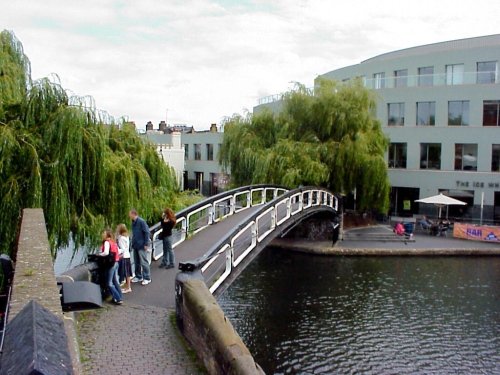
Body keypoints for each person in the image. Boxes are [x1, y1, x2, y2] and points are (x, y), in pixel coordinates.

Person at [98, 229, 123, 305]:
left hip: (111, 264)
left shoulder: (106, 242)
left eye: (103, 234)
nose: (102, 235)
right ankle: (120, 296)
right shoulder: (113, 242)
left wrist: (99, 255)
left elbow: (105, 252)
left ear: (107, 235)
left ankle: (118, 298)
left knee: (109, 283)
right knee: (115, 281)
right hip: (116, 262)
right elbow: (119, 251)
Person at [129, 209, 152, 286]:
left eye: (130, 214)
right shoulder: (133, 223)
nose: (129, 216)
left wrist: (146, 244)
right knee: (136, 261)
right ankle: (138, 276)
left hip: (142, 245)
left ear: (133, 214)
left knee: (143, 261)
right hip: (136, 244)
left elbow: (146, 232)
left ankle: (147, 277)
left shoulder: (141, 222)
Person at [116, 224, 132, 293]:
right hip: (127, 255)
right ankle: (126, 286)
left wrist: (117, 251)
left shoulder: (121, 238)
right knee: (127, 271)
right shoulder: (126, 236)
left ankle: (128, 287)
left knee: (126, 273)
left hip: (124, 256)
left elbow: (123, 249)